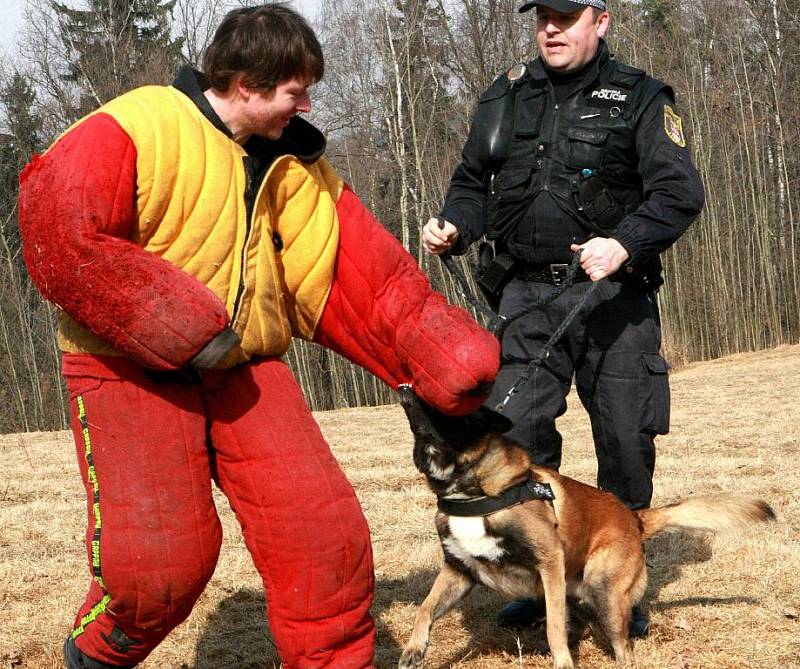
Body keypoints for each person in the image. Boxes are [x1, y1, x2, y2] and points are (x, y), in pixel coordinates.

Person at [18, 5, 499, 668]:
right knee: (158, 567)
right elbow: (60, 228)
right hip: (124, 363)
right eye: (295, 92)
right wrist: (172, 320)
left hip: (242, 359)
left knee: (324, 541)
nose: (304, 106)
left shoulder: (294, 167)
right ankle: (94, 653)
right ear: (247, 84)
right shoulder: (142, 123)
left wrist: (442, 352)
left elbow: (365, 280)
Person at [422, 0, 704, 635]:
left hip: (613, 297)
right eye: (542, 15)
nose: (550, 27)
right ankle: (539, 578)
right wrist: (455, 225)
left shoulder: (641, 97)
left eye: (566, 16)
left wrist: (625, 241)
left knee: (626, 436)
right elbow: (472, 184)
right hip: (526, 296)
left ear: (599, 21)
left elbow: (679, 193)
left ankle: (616, 585)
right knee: (522, 438)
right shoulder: (506, 97)